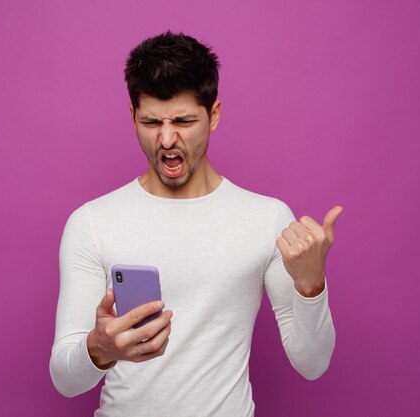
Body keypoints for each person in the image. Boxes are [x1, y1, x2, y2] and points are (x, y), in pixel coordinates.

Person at [49, 30, 341, 417]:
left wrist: (310, 284)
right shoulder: (92, 222)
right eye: (151, 121)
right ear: (133, 116)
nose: (166, 139)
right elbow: (65, 381)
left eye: (184, 121)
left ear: (214, 115)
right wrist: (99, 349)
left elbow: (313, 363)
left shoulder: (266, 218)